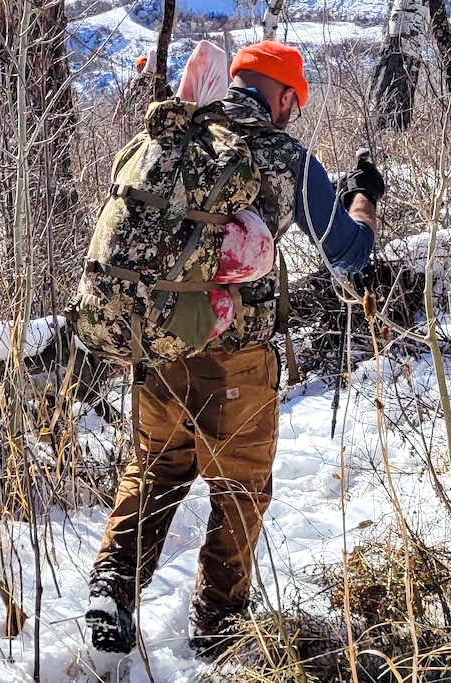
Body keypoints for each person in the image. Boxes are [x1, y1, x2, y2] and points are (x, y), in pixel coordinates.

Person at [86, 40, 386, 658]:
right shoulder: (283, 155)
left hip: (159, 342)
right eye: (293, 104)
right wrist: (363, 196)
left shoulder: (174, 134)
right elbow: (351, 254)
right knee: (240, 488)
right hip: (238, 358)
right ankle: (218, 623)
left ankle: (113, 587)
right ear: (279, 95)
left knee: (155, 469)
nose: (291, 114)